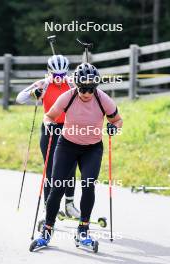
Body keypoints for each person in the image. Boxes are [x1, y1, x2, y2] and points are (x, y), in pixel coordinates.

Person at [31, 62, 123, 249]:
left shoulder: (103, 99)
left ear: (96, 86)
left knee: (88, 185)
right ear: (77, 85)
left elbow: (118, 120)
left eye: (91, 88)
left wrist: (114, 127)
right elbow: (49, 116)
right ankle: (47, 232)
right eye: (83, 88)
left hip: (92, 148)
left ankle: (83, 231)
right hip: (67, 146)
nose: (87, 93)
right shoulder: (68, 97)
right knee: (57, 187)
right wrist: (49, 124)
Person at [16, 55, 80, 218]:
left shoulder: (71, 83)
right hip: (49, 129)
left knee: (71, 168)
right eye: (56, 75)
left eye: (62, 75)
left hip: (68, 129)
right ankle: (48, 206)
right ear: (50, 72)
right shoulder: (43, 84)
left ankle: (69, 204)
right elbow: (19, 99)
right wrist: (33, 92)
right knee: (50, 169)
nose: (59, 79)